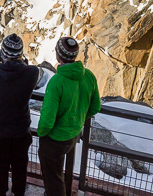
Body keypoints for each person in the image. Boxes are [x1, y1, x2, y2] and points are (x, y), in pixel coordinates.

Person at [37, 37, 101, 196]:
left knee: (53, 178)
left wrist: (42, 133)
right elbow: (95, 107)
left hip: (55, 139)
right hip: (73, 135)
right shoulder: (89, 76)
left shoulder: (57, 81)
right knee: (64, 172)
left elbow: (47, 119)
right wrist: (78, 119)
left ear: (59, 56)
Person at [0, 34, 40, 196]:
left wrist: (3, 62)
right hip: (20, 131)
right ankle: (18, 193)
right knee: (20, 169)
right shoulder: (32, 73)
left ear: (3, 53)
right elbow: (27, 69)